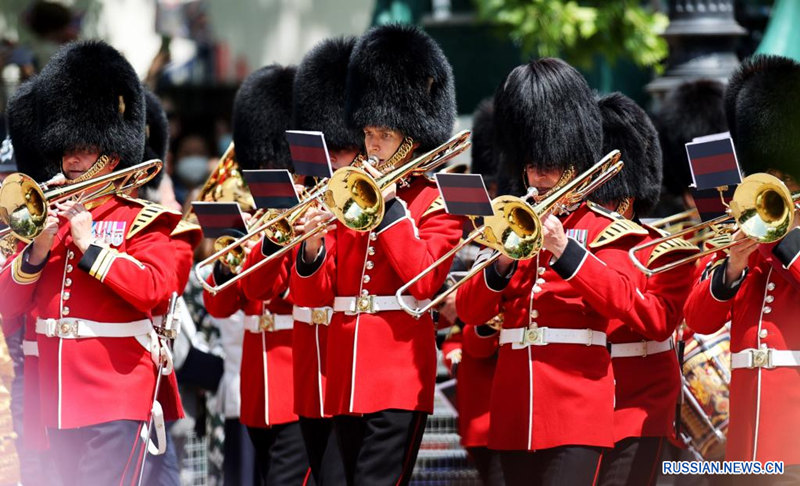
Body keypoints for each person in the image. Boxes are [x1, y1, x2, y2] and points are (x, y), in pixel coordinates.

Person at [455, 58, 649, 486]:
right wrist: (503, 260)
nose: (539, 176)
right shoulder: (511, 224)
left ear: (574, 164)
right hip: (511, 416)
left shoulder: (602, 228)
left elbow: (622, 300)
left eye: (550, 165)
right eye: (531, 165)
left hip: (576, 414)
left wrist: (562, 249)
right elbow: (470, 310)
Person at [0, 40, 185, 486]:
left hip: (117, 398)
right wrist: (38, 249)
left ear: (110, 153)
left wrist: (93, 249)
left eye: (82, 148)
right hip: (57, 402)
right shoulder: (49, 223)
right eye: (65, 150)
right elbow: (7, 306)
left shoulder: (147, 221)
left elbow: (155, 290)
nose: (71, 159)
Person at [290, 24, 463, 486]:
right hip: (343, 378)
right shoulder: (346, 195)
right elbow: (315, 296)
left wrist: (387, 209)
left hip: (398, 378)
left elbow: (423, 282)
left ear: (410, 136)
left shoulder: (436, 201)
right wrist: (310, 246)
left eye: (383, 134)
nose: (371, 145)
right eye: (368, 133)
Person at [241, 36, 363, 485]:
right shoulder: (304, 199)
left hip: (356, 377)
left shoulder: (373, 206)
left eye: (343, 148)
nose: (332, 160)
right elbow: (255, 288)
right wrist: (278, 237)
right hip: (309, 385)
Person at [683, 55, 800, 485]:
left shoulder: (779, 241)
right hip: (746, 441)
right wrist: (732, 266)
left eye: (782, 176)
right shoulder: (744, 230)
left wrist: (783, 242)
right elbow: (698, 318)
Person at [202, 64, 311, 485]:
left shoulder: (311, 220)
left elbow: (281, 286)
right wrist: (229, 254)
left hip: (299, 382)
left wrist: (272, 240)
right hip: (256, 391)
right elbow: (219, 301)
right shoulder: (252, 216)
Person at [590, 92, 696, 486]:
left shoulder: (660, 250)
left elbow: (655, 321)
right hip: (580, 408)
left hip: (638, 409)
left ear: (625, 200)